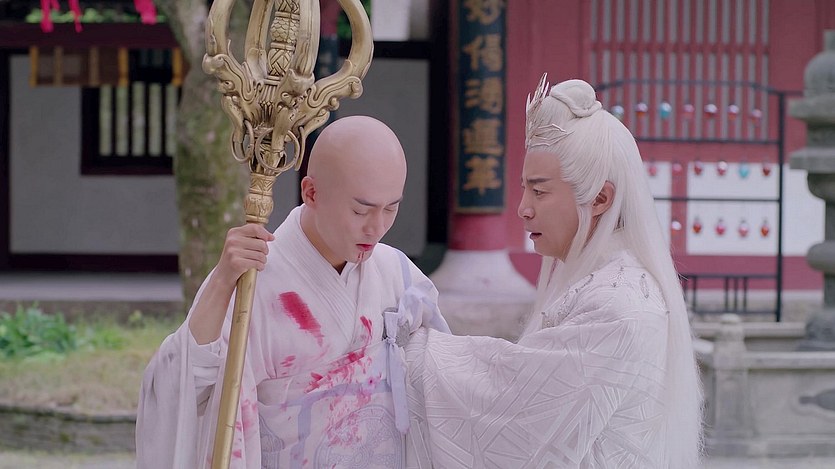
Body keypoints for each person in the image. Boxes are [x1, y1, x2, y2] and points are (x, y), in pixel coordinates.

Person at [404, 76, 703, 468]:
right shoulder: (602, 282)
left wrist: (407, 352)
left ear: (600, 198)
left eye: (540, 191)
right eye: (525, 189)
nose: (523, 209)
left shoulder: (618, 305)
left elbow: (511, 404)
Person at [136, 115, 449, 468]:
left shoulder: (399, 275)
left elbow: (443, 389)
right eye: (361, 210)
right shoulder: (253, 282)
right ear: (311, 192)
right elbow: (181, 390)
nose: (376, 227)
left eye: (391, 208)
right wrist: (223, 281)